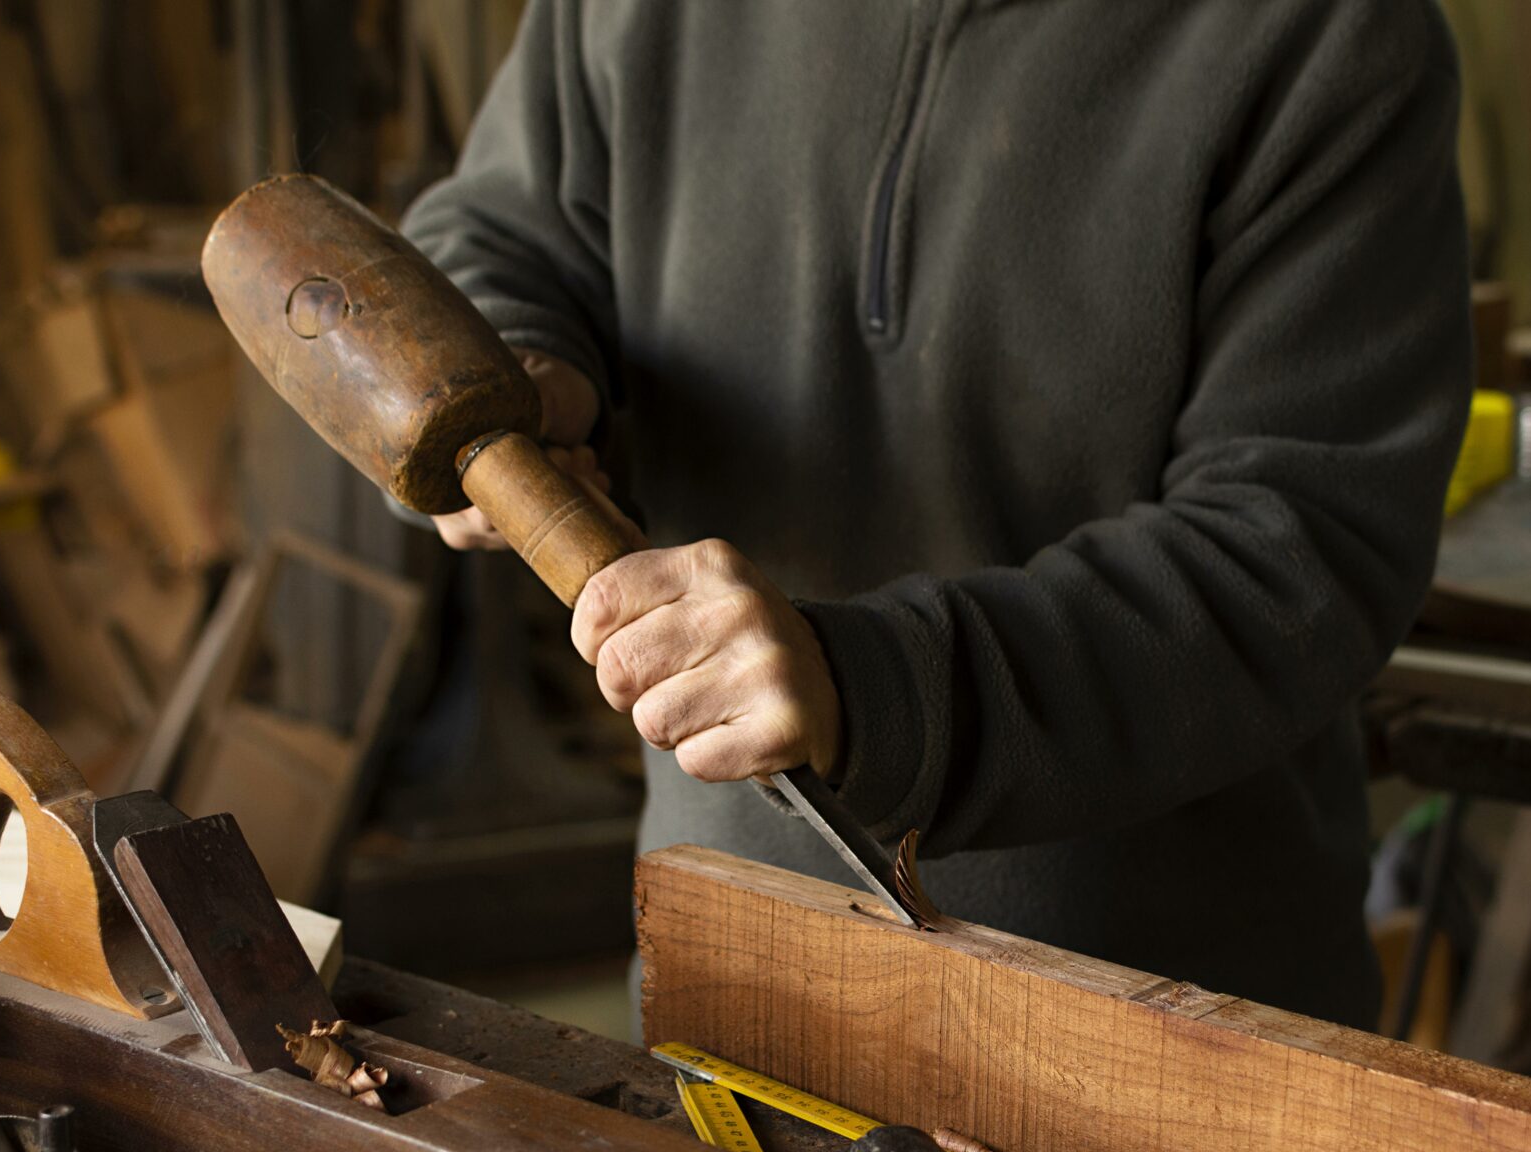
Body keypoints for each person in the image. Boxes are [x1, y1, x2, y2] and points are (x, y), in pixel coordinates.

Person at [399, 0, 1473, 1029]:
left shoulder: (1327, 36)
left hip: (1164, 1033)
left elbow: (1295, 556)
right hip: (734, 973)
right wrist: (513, 366)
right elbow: (501, 228)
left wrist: (869, 690)